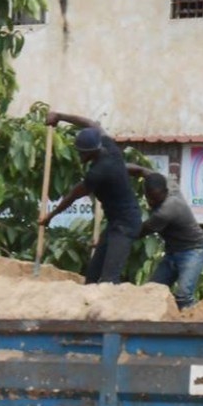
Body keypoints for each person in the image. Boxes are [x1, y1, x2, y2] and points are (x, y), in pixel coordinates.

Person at [38, 111, 141, 284]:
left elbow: (72, 196)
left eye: (81, 153)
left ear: (91, 152)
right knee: (92, 278)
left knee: (109, 279)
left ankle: (108, 310)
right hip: (115, 223)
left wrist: (50, 216)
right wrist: (60, 117)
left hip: (126, 224)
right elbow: (91, 123)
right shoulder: (108, 146)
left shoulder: (99, 172)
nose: (79, 156)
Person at [129, 167, 203, 308]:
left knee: (183, 296)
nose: (152, 202)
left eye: (156, 199)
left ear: (165, 193)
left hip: (194, 250)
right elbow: (144, 171)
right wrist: (119, 166)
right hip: (173, 251)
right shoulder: (168, 185)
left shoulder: (166, 211)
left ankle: (194, 325)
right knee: (152, 293)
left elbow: (139, 232)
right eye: (150, 198)